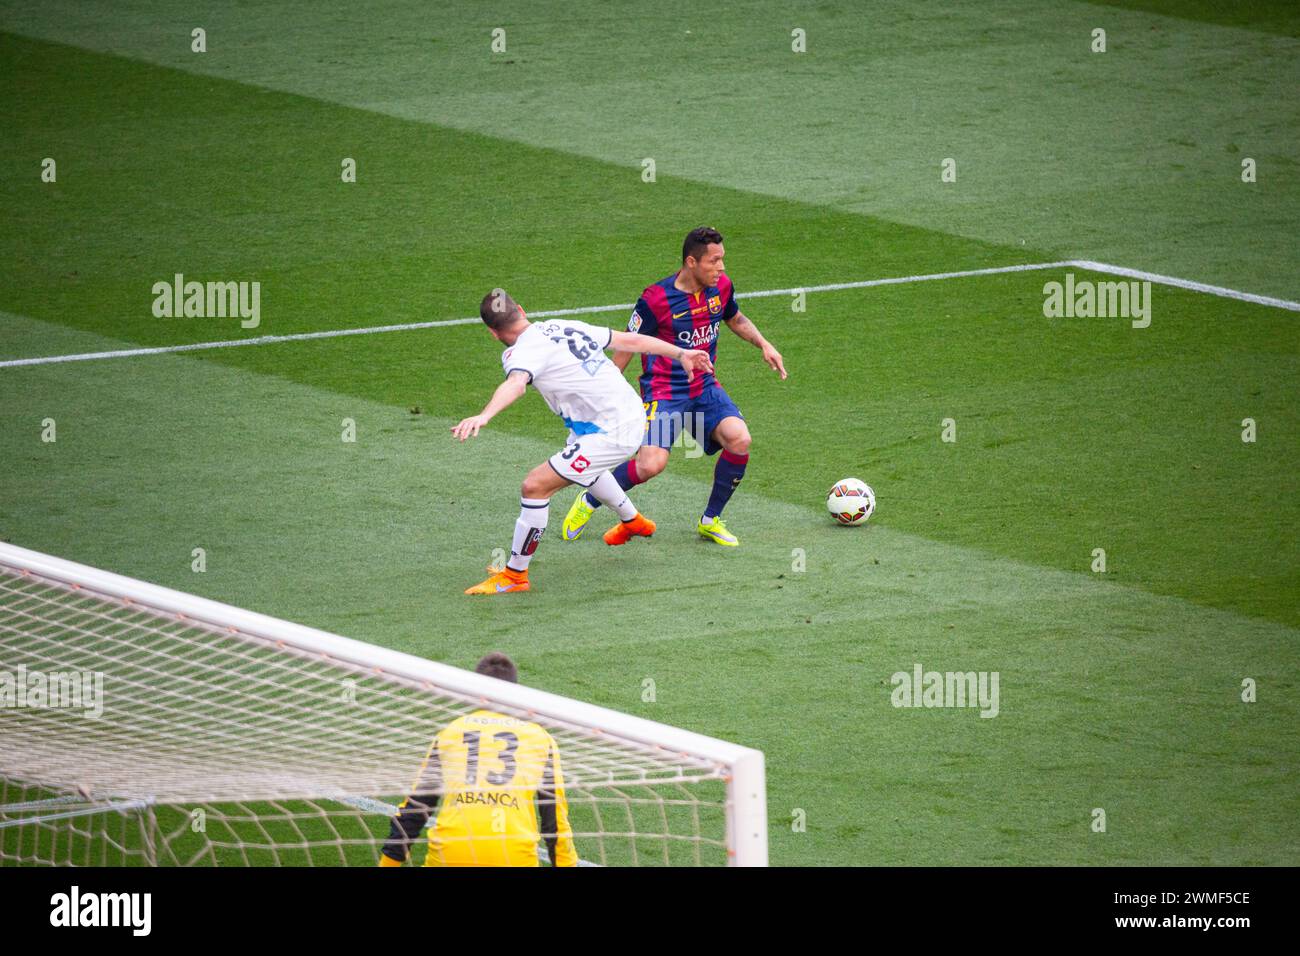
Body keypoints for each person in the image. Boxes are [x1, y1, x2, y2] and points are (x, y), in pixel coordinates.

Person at [452, 288, 713, 594]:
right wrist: (682, 353)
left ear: (493, 333)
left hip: (612, 431)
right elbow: (630, 340)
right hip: (619, 414)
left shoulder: (519, 353)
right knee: (584, 463)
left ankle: (514, 576)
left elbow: (516, 384)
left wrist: (484, 416)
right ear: (521, 310)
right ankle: (633, 521)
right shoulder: (564, 324)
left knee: (534, 486)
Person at [561, 226, 786, 548]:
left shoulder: (720, 287)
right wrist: (604, 389)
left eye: (722, 259)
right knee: (651, 465)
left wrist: (764, 344)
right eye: (714, 261)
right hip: (664, 391)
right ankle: (591, 499)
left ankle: (710, 520)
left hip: (704, 387)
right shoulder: (656, 299)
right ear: (691, 262)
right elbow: (628, 343)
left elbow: (734, 318)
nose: (721, 268)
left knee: (740, 439)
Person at [378, 652, 577, 866]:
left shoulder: (451, 731)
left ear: (475, 692)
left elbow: (416, 808)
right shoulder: (540, 738)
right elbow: (554, 821)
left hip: (450, 854)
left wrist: (387, 864)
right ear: (516, 693)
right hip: (512, 858)